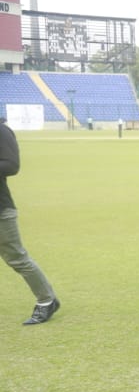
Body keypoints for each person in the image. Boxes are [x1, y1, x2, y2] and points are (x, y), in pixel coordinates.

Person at [0, 116, 60, 325]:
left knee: (16, 257)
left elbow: (11, 165)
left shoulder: (2, 131)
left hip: (1, 210)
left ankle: (47, 300)